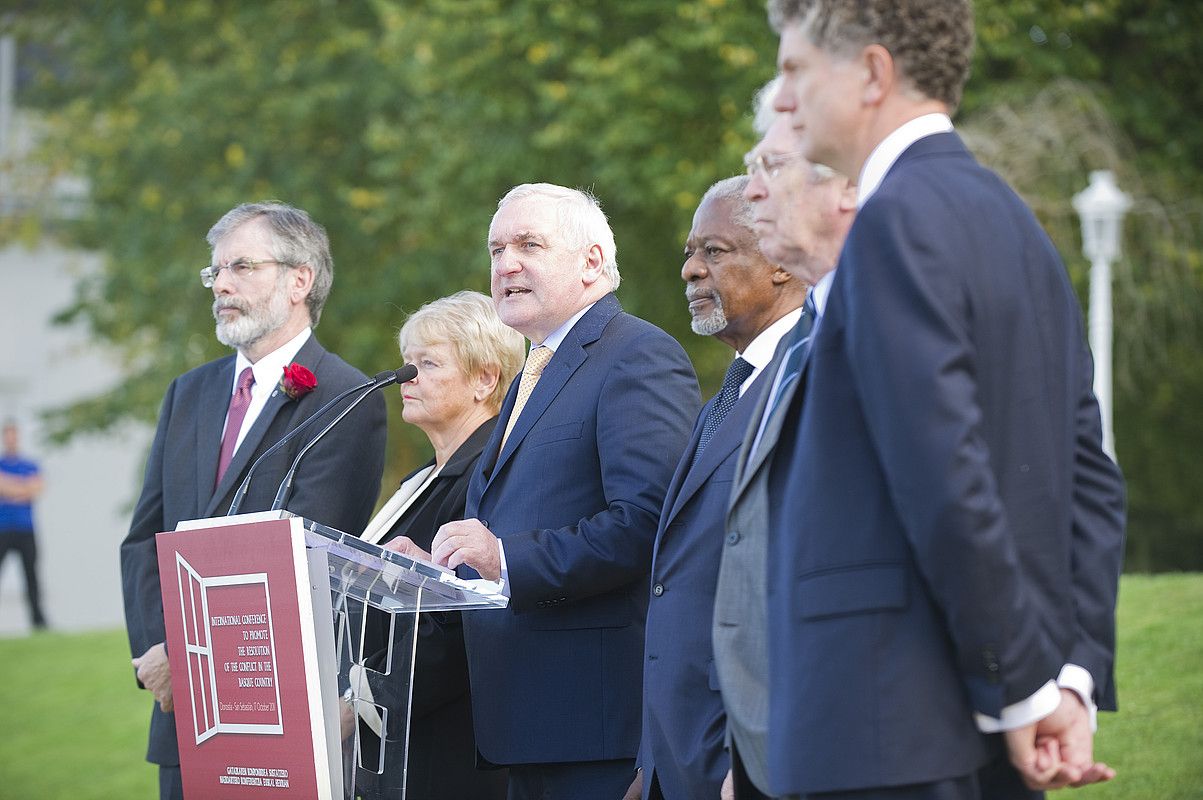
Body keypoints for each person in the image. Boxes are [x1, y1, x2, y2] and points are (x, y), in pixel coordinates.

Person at [760, 1, 1127, 797]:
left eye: (794, 70)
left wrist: (1020, 683)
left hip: (883, 733)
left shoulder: (894, 222)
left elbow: (944, 478)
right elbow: (1088, 480)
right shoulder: (1017, 225)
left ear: (871, 73)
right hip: (973, 734)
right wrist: (1067, 676)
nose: (782, 98)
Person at [391, 183, 700, 800]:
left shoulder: (636, 356)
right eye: (497, 248)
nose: (505, 264)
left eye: (529, 244)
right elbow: (508, 533)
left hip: (597, 731)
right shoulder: (538, 368)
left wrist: (503, 558)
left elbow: (646, 525)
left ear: (591, 262)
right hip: (520, 725)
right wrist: (443, 575)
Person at [120, 201, 388, 800]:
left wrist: (191, 666)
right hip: (179, 717)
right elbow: (146, 539)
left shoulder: (348, 400)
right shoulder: (187, 393)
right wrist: (158, 654)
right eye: (215, 271)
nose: (221, 285)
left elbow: (298, 557)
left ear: (300, 280)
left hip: (270, 718)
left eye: (241, 267)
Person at [626, 176, 805, 800]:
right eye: (688, 253)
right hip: (678, 757)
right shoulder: (730, 393)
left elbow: (796, 581)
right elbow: (678, 580)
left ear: (782, 260)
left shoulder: (807, 384)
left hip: (742, 757)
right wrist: (649, 763)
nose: (690, 271)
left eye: (715, 251)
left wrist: (759, 755)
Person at [711, 96, 857, 800]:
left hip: (864, 732)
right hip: (768, 738)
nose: (754, 190)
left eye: (768, 167)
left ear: (842, 187)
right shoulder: (790, 349)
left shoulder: (883, 316)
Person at [347, 290, 524, 800]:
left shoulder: (493, 473)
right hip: (393, 749)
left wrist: (363, 700)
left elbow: (463, 620)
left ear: (485, 379)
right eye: (406, 363)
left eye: (427, 363)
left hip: (450, 753)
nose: (407, 377)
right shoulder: (421, 478)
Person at [0, 420, 48, 630]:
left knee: (32, 576)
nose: (11, 439)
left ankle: (38, 620)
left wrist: (9, 488)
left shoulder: (30, 464)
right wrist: (22, 488)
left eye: (14, 434)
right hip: (3, 529)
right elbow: (26, 489)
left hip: (26, 529)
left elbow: (37, 488)